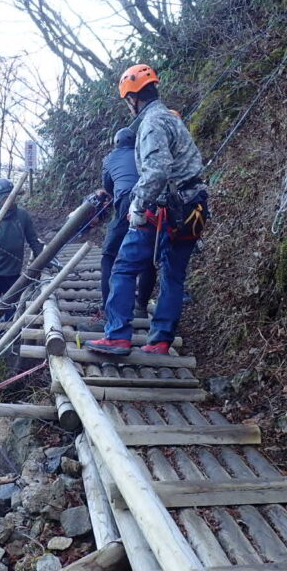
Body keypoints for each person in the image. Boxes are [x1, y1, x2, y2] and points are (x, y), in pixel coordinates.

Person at [88, 64, 208, 357]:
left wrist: (137, 206)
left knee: (124, 267)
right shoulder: (171, 118)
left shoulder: (152, 123)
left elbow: (156, 171)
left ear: (133, 98)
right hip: (193, 206)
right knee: (173, 274)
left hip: (165, 208)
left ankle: (117, 335)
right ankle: (160, 340)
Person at [99, 126, 156, 320]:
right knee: (148, 256)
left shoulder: (109, 159)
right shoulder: (143, 152)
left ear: (116, 143)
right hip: (150, 202)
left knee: (108, 255)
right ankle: (141, 306)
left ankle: (108, 310)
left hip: (125, 203)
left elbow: (108, 185)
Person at [0, 177, 44, 317]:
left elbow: (33, 240)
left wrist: (42, 259)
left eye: (11, 197)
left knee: (11, 309)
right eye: (5, 197)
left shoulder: (22, 216)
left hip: (13, 272)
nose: (9, 201)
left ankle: (8, 336)